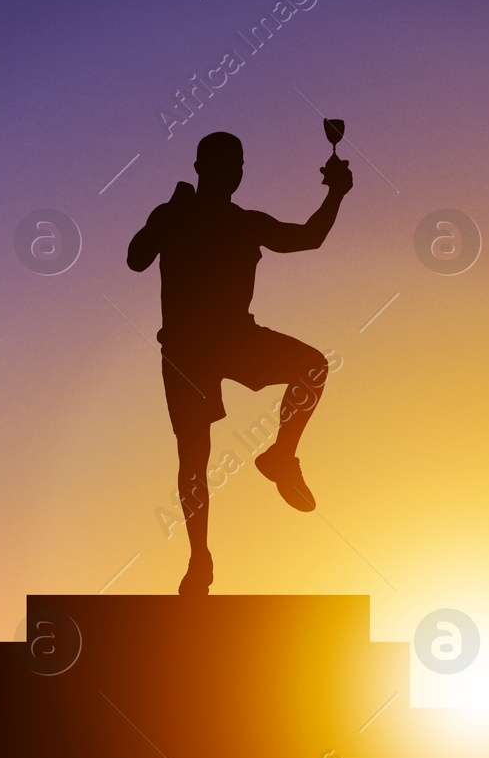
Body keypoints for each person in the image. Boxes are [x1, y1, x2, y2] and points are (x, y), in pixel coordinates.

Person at [127, 131, 353, 595]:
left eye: (238, 165)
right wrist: (163, 217)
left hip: (231, 337)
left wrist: (335, 192)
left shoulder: (244, 222)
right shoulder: (176, 214)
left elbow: (308, 238)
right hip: (188, 350)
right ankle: (200, 561)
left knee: (312, 367)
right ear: (203, 169)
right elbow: (135, 259)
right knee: (193, 458)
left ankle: (280, 456)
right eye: (228, 165)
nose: (234, 173)